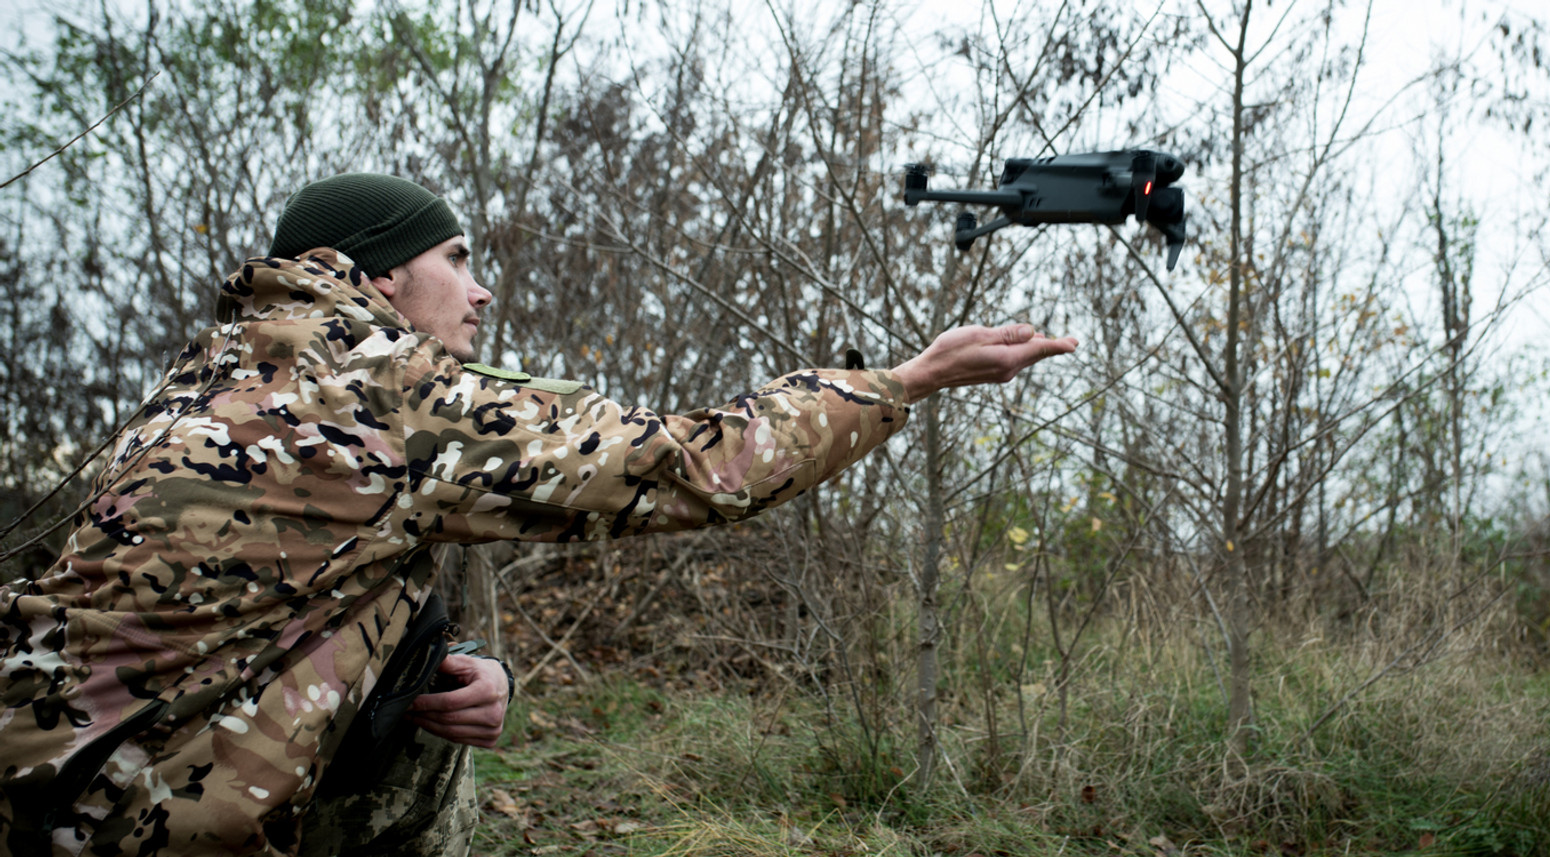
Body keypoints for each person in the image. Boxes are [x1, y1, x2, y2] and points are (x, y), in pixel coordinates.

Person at [0, 173, 1077, 856]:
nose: (480, 291)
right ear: (373, 272)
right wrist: (908, 379)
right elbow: (683, 464)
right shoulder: (382, 395)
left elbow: (267, 582)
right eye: (456, 260)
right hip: (129, 823)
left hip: (35, 780)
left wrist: (446, 661)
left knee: (431, 629)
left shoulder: (208, 378)